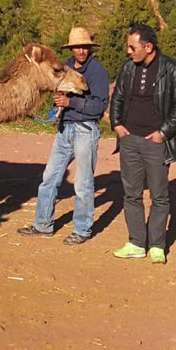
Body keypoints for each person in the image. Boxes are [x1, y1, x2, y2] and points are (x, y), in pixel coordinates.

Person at [18, 27, 110, 245]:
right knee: (49, 178)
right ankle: (43, 224)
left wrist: (71, 103)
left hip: (85, 131)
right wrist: (58, 104)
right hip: (65, 130)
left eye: (85, 47)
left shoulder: (98, 73)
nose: (81, 51)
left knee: (83, 183)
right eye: (77, 47)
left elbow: (99, 106)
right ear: (71, 48)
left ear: (89, 48)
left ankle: (82, 229)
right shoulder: (64, 67)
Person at [108, 23, 176, 264]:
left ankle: (156, 245)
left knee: (159, 196)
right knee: (131, 194)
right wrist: (117, 125)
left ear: (148, 47)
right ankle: (135, 243)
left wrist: (162, 134)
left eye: (132, 47)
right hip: (129, 139)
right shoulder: (128, 69)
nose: (128, 51)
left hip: (156, 142)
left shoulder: (171, 69)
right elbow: (118, 98)